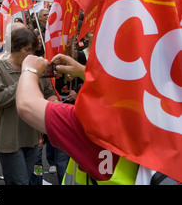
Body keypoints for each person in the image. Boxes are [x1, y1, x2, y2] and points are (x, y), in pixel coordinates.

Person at [16, 53, 139, 184]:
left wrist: (29, 69)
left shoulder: (91, 121)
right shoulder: (153, 117)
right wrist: (83, 71)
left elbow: (27, 105)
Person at [0, 28, 58, 185]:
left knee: (27, 180)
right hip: (9, 139)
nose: (31, 54)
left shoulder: (38, 69)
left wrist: (56, 105)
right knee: (20, 182)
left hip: (32, 137)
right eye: (27, 49)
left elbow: (49, 93)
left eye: (34, 50)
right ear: (14, 48)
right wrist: (27, 77)